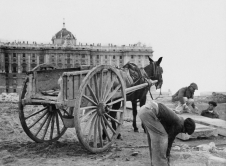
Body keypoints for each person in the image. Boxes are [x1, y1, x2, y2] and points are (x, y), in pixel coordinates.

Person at [139, 100, 196, 166]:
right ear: (185, 128)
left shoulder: (178, 120)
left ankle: (154, 163)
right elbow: (169, 140)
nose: (183, 132)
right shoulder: (179, 125)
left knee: (154, 139)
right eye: (185, 132)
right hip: (149, 112)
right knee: (162, 138)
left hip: (144, 110)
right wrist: (167, 156)